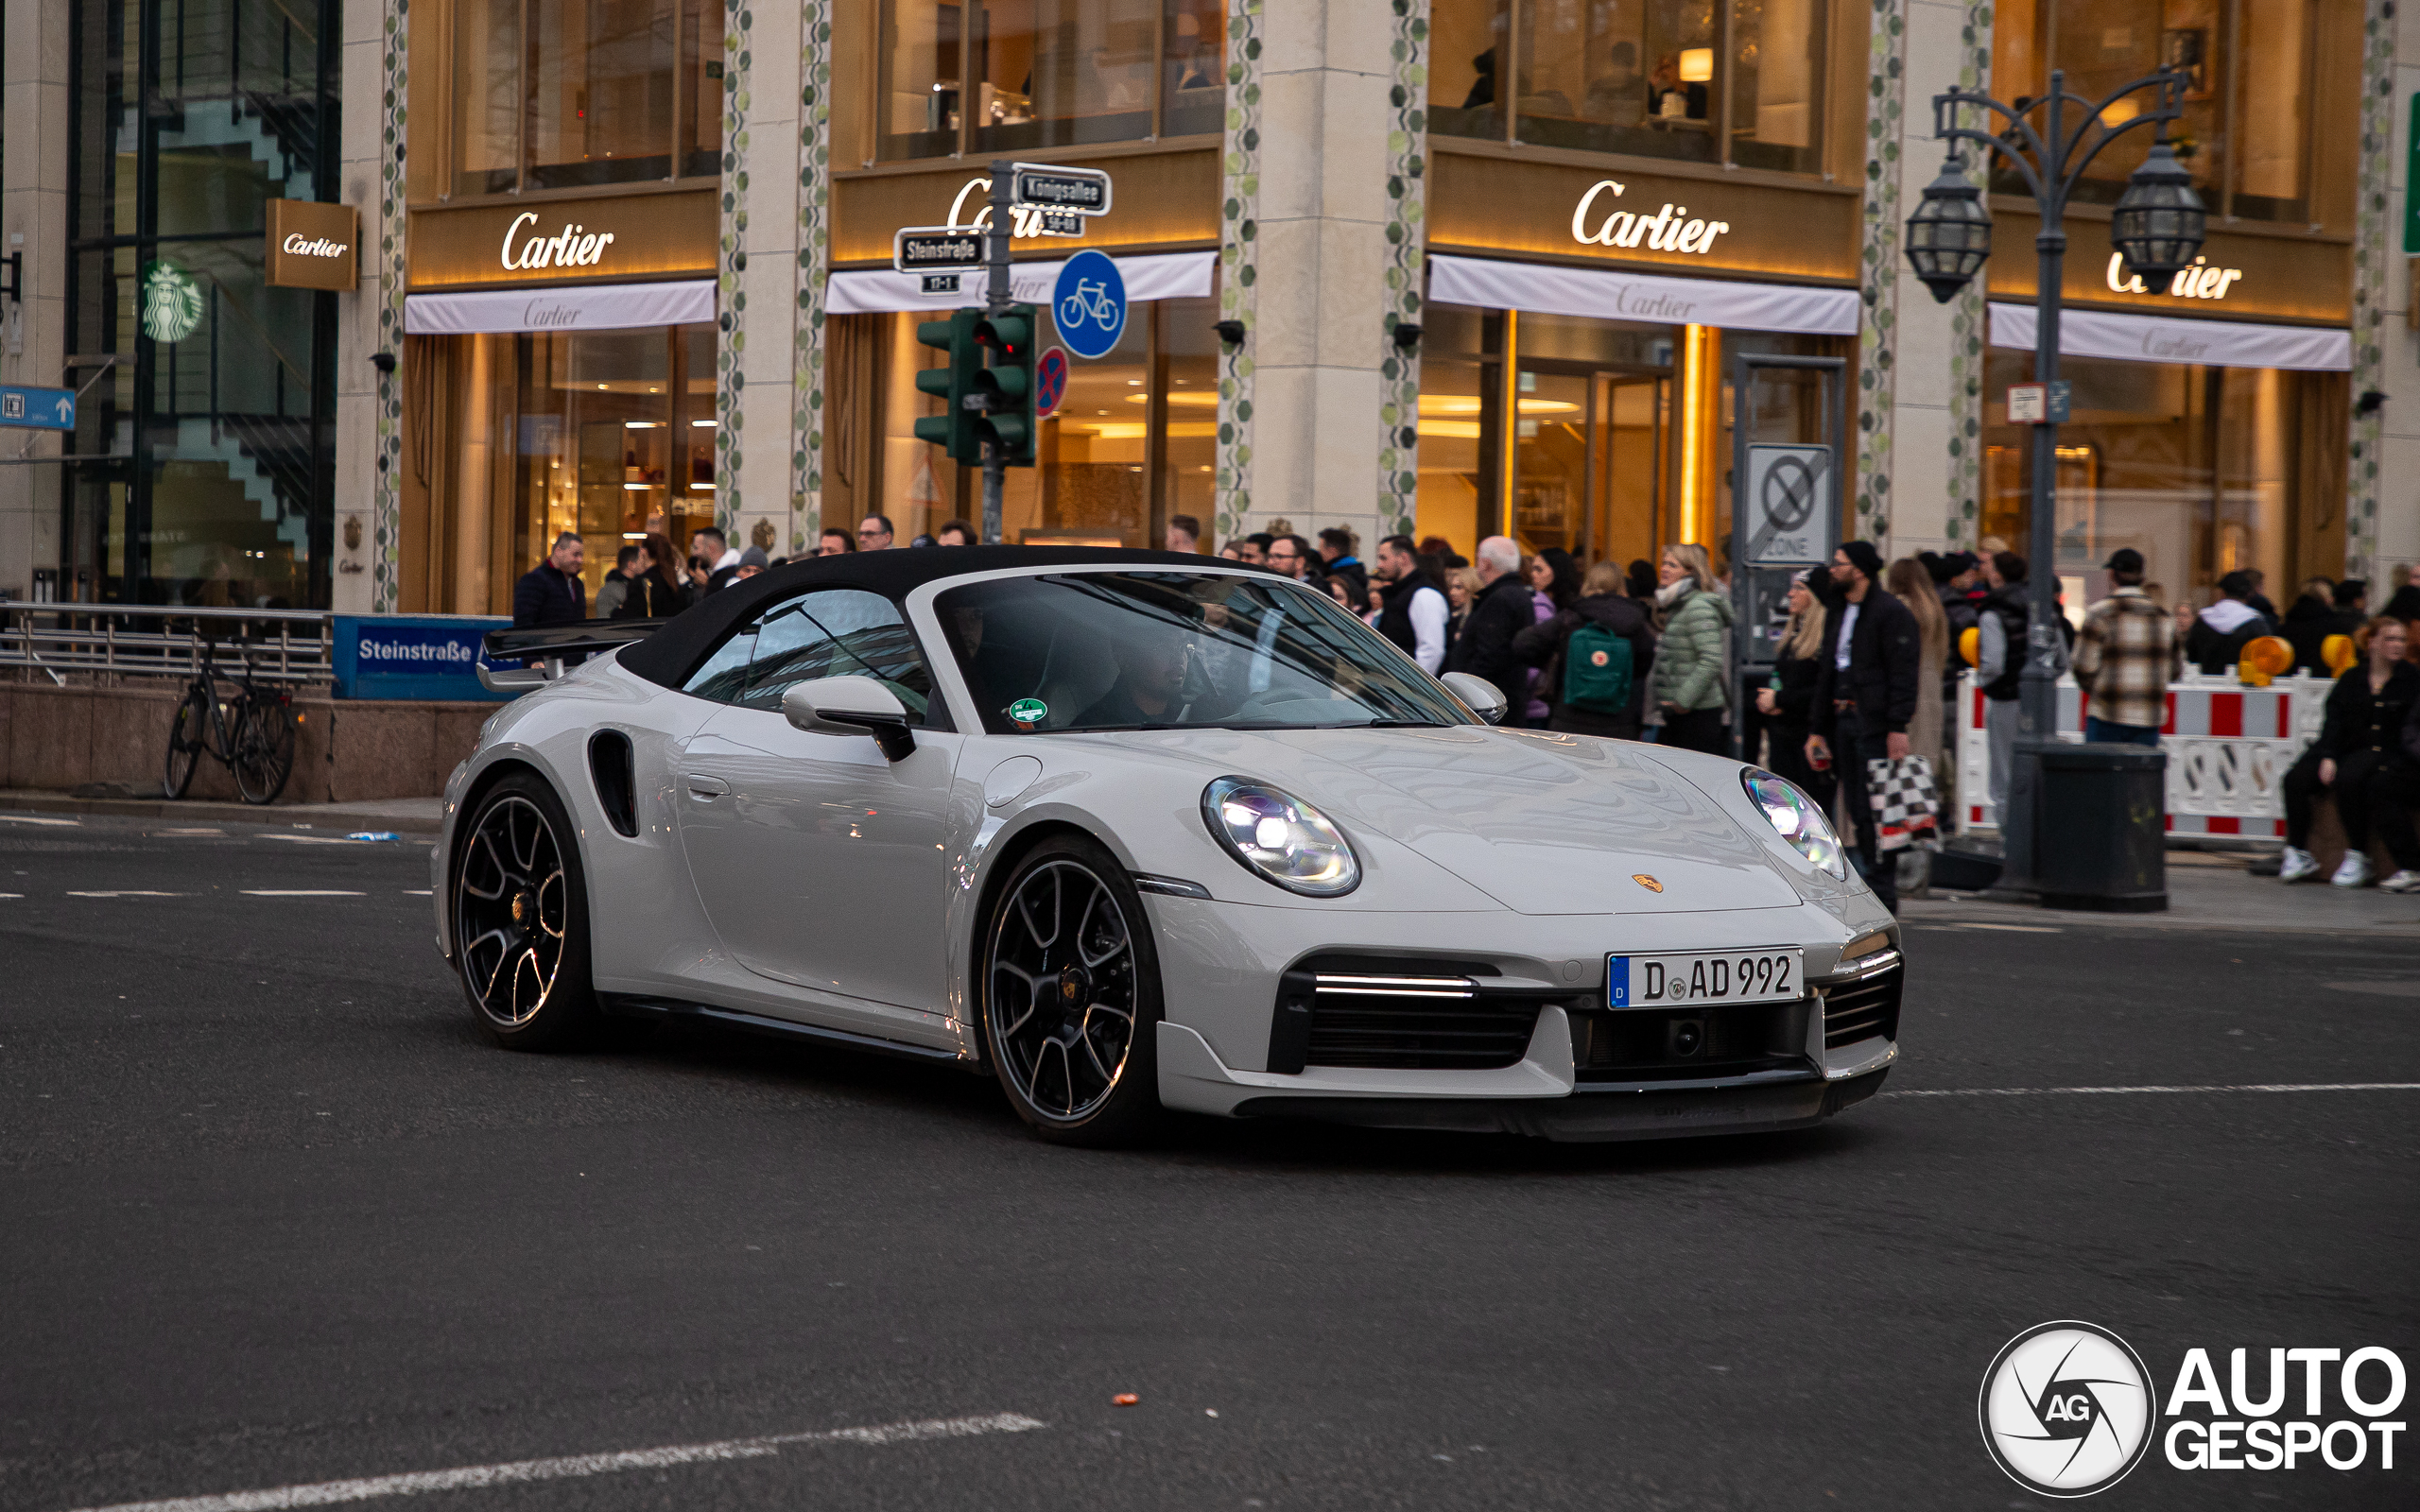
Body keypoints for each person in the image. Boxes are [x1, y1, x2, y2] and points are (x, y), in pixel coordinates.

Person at [1808, 540, 1920, 911]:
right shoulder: (1840, 609)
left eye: (1839, 564)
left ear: (1859, 570)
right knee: (1855, 806)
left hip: (1872, 722)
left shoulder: (1889, 613)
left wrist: (1897, 725)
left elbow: (1902, 673)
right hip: (1842, 718)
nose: (1832, 570)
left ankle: (1884, 886)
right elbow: (1828, 670)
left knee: (1876, 806)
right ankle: (1867, 878)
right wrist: (1816, 728)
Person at [2277, 617, 2420, 890]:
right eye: (2390, 639)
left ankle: (2358, 854)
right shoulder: (2352, 678)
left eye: (2402, 639)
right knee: (2295, 779)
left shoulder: (2411, 679)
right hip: (2343, 746)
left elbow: (2404, 730)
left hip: (2383, 748)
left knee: (2352, 778)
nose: (2397, 645)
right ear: (2373, 642)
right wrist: (2328, 754)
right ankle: (2297, 851)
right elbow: (2334, 720)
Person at [1512, 558, 1656, 738]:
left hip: (1568, 719)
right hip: (1618, 721)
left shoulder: (1571, 617)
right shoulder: (1635, 622)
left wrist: (1554, 663)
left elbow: (1523, 643)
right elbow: (1646, 661)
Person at [1976, 550, 2062, 820]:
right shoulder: (2043, 607)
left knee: (2004, 771)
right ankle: (2038, 828)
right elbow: (2061, 658)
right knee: (2038, 766)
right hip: (2040, 699)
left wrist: (1982, 681)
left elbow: (1993, 664)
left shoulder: (1992, 612)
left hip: (2005, 697)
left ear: (1997, 575)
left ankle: (2011, 835)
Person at [2071, 547, 2179, 746]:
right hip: (2149, 717)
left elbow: (2083, 666)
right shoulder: (2164, 618)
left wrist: (2099, 689)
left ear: (2112, 574)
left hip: (2107, 713)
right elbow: (2175, 671)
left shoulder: (2100, 613)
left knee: (2101, 775)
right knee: (2141, 776)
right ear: (2142, 576)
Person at [1754, 568, 1836, 814]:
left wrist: (1780, 698)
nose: (1790, 594)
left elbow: (1821, 691)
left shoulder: (1823, 640)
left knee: (1809, 808)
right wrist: (1771, 699)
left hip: (1808, 736)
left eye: (1799, 589)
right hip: (1782, 732)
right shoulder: (1793, 635)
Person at [1649, 542, 1733, 753]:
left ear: (1689, 572)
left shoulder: (1698, 606)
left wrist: (1682, 700)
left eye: (1672, 565)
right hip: (1680, 715)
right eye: (1664, 563)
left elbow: (1712, 660)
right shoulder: (1678, 605)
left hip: (1696, 716)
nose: (1664, 569)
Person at [1444, 535, 1535, 716]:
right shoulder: (1519, 595)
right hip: (1505, 699)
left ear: (1485, 563)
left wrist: (1466, 693)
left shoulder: (1499, 599)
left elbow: (1489, 654)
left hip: (1487, 704)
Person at [1884, 558, 1949, 768]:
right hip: (1931, 687)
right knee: (1923, 759)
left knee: (1899, 760)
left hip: (1906, 689)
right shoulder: (1935, 610)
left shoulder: (1897, 609)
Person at [1371, 534, 1450, 674]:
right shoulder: (1399, 593)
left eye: (1384, 558)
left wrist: (1415, 688)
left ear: (1403, 558)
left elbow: (1431, 650)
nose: (1379, 565)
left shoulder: (1424, 595)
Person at [2185, 570, 2274, 674]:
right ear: (2248, 595)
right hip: (2244, 685)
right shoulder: (2255, 622)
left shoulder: (2203, 619)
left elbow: (2192, 655)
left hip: (2206, 683)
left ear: (2222, 593)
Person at [612, 533, 697, 619]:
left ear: (643, 552)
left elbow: (631, 616)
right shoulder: (674, 581)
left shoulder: (642, 583)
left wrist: (617, 611)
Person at [510, 532, 586, 627]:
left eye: (581, 556)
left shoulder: (578, 585)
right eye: (575, 555)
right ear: (558, 551)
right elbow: (523, 625)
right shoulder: (534, 580)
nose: (580, 560)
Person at [1316, 528, 1367, 606]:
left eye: (1321, 549)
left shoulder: (1339, 577)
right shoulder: (1355, 572)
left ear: (1332, 550)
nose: (1319, 553)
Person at [593, 543, 639, 620]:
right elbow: (604, 621)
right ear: (631, 565)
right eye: (641, 562)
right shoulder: (609, 591)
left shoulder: (638, 586)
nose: (645, 566)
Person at [1443, 566, 1476, 649]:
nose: (1452, 593)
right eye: (1451, 587)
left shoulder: (1480, 619)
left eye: (1458, 587)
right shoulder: (1452, 620)